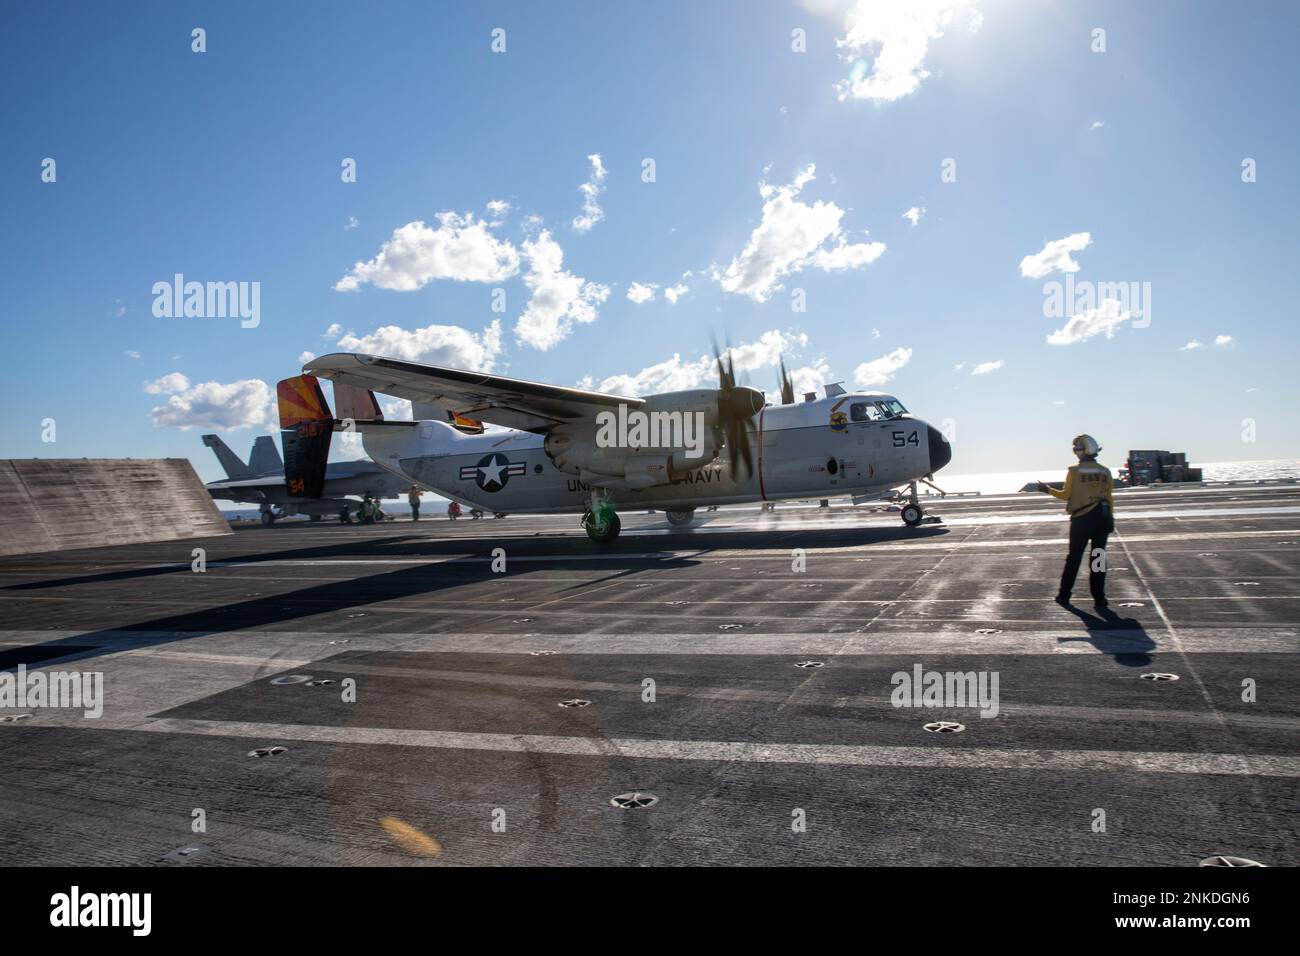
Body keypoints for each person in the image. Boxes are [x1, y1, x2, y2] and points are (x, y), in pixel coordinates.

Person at [1039, 434, 1115, 609]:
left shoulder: (1074, 471)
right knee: (1098, 557)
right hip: (1102, 519)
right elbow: (1109, 497)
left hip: (1082, 520)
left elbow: (1066, 495)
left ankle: (1064, 595)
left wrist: (1047, 490)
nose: (1075, 452)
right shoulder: (1105, 471)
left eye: (1077, 449)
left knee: (1074, 558)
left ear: (1083, 450)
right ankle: (1100, 598)